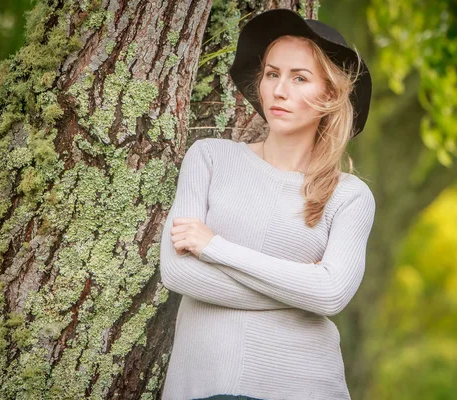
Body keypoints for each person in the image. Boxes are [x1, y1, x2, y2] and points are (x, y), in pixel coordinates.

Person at [159, 8, 375, 400]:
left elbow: (330, 295)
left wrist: (214, 247)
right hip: (205, 382)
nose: (279, 90)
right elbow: (177, 273)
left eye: (300, 78)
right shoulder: (209, 157)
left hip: (304, 385)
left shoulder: (350, 195)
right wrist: (299, 288)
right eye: (273, 74)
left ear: (329, 94)